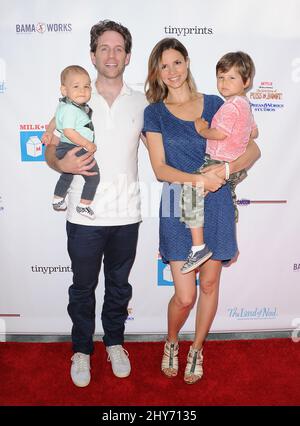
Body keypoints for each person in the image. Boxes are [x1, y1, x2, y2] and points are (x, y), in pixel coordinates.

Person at [143, 38, 260, 384]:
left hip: (218, 200)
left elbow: (252, 149)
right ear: (157, 72)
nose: (172, 71)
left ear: (187, 62)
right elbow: (160, 170)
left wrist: (221, 174)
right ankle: (172, 341)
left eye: (177, 62)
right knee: (185, 295)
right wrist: (198, 180)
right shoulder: (155, 112)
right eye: (164, 66)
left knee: (209, 284)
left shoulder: (214, 103)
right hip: (178, 204)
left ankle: (196, 348)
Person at [45, 20, 148, 387]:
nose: (111, 54)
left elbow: (164, 151)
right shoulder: (73, 102)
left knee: (119, 286)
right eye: (103, 47)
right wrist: (62, 164)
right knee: (83, 287)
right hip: (83, 215)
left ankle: (115, 342)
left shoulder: (142, 101)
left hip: (127, 213)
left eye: (118, 48)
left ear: (128, 56)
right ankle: (82, 349)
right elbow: (49, 151)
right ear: (92, 55)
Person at [180, 51, 258, 274]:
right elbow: (254, 132)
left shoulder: (231, 106)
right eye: (221, 77)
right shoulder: (246, 105)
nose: (224, 83)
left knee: (191, 191)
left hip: (218, 160)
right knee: (226, 196)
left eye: (231, 78)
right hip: (234, 164)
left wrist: (202, 129)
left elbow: (219, 134)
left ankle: (198, 247)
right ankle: (227, 234)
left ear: (247, 81)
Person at [43, 65, 100, 220]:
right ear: (64, 90)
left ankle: (58, 199)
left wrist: (49, 131)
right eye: (76, 86)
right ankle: (84, 205)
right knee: (94, 176)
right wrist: (87, 144)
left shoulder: (66, 106)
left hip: (65, 147)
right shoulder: (71, 109)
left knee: (67, 175)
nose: (82, 90)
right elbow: (68, 131)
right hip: (74, 146)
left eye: (86, 86)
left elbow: (55, 119)